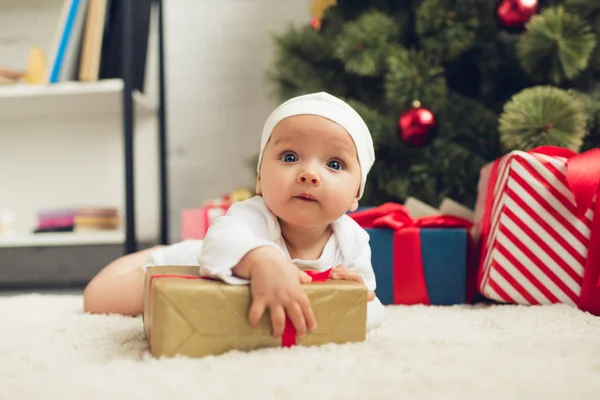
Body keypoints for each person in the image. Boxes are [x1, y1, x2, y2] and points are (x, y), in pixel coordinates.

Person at [83, 92, 385, 336]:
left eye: (334, 164)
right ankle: (155, 255)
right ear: (259, 179)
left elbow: (374, 311)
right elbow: (220, 240)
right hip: (186, 266)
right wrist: (260, 258)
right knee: (96, 299)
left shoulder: (352, 241)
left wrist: (354, 295)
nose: (309, 174)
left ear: (356, 194)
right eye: (290, 157)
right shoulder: (252, 215)